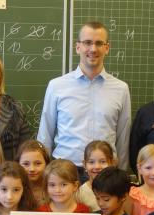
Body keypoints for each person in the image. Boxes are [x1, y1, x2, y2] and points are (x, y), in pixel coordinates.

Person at [37, 21, 131, 173]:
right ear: (78, 47)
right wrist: (44, 175)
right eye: (87, 43)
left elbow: (123, 138)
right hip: (64, 172)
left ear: (107, 48)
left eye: (99, 43)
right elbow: (45, 135)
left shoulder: (121, 89)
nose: (93, 49)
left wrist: (121, 174)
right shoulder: (56, 86)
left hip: (105, 173)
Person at [76, 141, 116, 211]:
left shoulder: (119, 189)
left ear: (112, 163)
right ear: (84, 164)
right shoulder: (80, 194)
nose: (97, 166)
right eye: (91, 162)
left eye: (103, 161)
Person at [16, 140, 51, 207]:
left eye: (38, 163)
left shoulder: (54, 188)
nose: (32, 169)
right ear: (18, 164)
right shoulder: (13, 188)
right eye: (26, 164)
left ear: (46, 164)